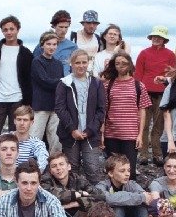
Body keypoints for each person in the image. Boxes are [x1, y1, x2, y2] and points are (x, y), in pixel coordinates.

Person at [0, 15, 34, 165]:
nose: (9, 32)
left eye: (12, 29)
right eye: (5, 29)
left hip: (18, 100)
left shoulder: (26, 53)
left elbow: (29, 78)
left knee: (16, 137)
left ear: (18, 30)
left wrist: (28, 102)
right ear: (2, 31)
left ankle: (16, 166)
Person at [55, 49, 107, 184]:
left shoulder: (96, 83)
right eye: (77, 63)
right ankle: (73, 194)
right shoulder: (64, 83)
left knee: (92, 167)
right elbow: (60, 108)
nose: (81, 66)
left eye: (84, 62)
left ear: (88, 63)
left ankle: (95, 194)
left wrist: (90, 130)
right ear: (71, 64)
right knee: (72, 167)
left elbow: (101, 110)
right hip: (70, 133)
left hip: (91, 133)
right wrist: (72, 129)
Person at [100, 51, 153, 178]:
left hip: (131, 135)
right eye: (117, 63)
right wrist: (101, 134)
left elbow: (142, 111)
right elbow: (103, 111)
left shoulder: (139, 86)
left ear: (130, 64)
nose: (121, 66)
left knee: (130, 171)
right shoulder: (108, 85)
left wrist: (140, 135)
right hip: (111, 134)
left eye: (124, 63)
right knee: (113, 170)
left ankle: (130, 190)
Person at [134, 25, 176, 166]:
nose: (156, 39)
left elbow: (172, 74)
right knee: (144, 124)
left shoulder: (170, 55)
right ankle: (143, 154)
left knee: (159, 125)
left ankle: (157, 154)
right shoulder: (144, 53)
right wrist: (137, 91)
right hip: (145, 92)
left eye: (159, 37)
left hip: (163, 93)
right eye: (154, 36)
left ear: (164, 39)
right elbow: (138, 74)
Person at [40, 151, 104, 217]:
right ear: (51, 171)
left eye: (61, 164)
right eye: (54, 166)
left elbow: (100, 196)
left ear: (69, 166)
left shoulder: (78, 179)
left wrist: (77, 203)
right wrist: (79, 194)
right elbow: (54, 196)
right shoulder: (45, 181)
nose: (58, 168)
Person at [94, 153, 154, 217]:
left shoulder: (131, 184)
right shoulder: (101, 186)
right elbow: (109, 198)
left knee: (142, 207)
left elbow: (147, 197)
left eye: (128, 170)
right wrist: (141, 197)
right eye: (122, 171)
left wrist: (144, 197)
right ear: (111, 173)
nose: (127, 174)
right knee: (118, 208)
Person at [30, 31, 64, 153]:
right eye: (48, 44)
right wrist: (62, 81)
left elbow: (60, 86)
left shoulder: (58, 64)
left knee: (56, 137)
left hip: (56, 105)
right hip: (41, 105)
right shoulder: (37, 62)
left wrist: (61, 82)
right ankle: (31, 160)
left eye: (54, 44)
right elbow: (44, 81)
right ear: (42, 45)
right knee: (35, 135)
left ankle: (55, 160)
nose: (51, 47)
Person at [0, 105, 48, 172]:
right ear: (14, 121)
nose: (21, 123)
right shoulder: (4, 138)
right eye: (19, 119)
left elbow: (43, 162)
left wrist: (33, 175)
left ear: (31, 122)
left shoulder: (36, 143)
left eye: (25, 120)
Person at [32, 9, 78, 75]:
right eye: (61, 27)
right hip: (47, 79)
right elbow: (35, 67)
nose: (63, 30)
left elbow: (77, 66)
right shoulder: (42, 46)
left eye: (66, 27)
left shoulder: (73, 47)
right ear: (54, 26)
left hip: (66, 80)